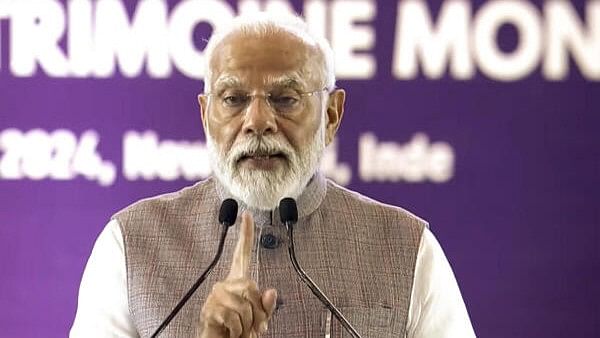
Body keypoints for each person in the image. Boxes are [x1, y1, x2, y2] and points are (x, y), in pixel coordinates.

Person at [70, 12, 475, 338]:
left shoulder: (406, 247)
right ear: (205, 115)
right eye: (233, 99)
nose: (258, 120)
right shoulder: (130, 244)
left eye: (285, 98)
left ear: (331, 115)